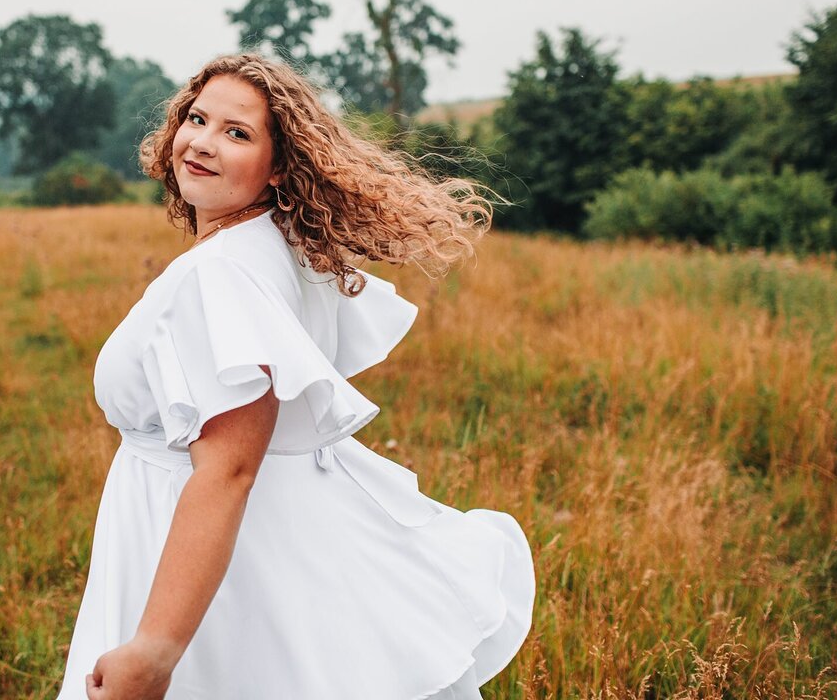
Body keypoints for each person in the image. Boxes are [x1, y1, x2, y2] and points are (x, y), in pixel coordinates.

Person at [56, 53, 534, 700]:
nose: (200, 142)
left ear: (279, 166)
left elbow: (227, 469)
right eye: (197, 118)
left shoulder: (219, 273)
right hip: (258, 541)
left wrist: (155, 649)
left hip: (215, 555)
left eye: (237, 133)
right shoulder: (279, 242)